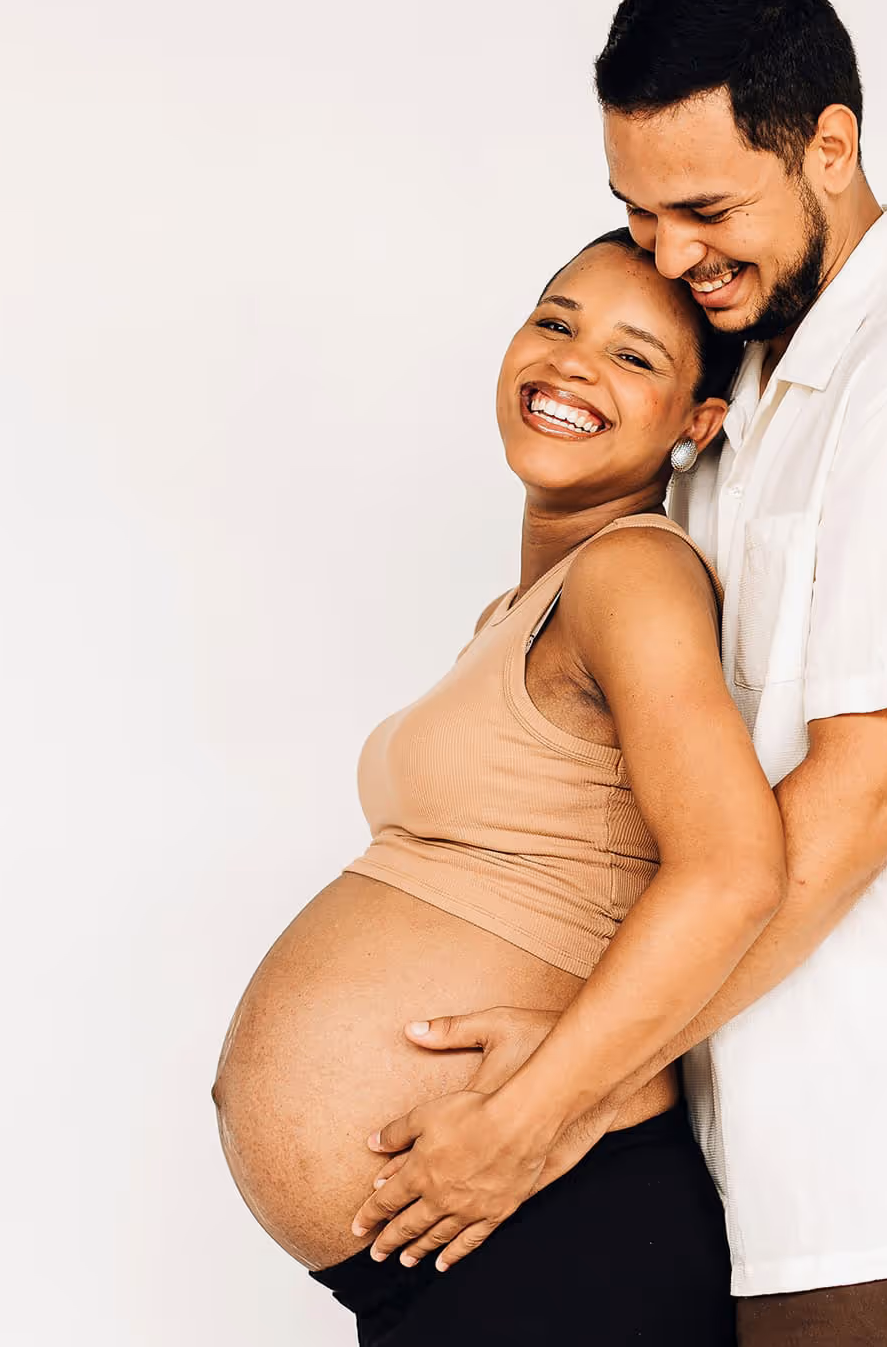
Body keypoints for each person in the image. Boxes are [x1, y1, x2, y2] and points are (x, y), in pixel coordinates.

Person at [353, 0, 887, 1347]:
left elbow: (873, 791)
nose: (668, 255)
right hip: (762, 1166)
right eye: (636, 213)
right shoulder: (749, 369)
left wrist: (550, 1106)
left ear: (831, 147)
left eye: (705, 207)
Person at [212, 228, 785, 1346]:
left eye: (635, 358)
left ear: (697, 424)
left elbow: (732, 867)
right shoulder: (516, 615)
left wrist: (532, 1115)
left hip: (556, 1217)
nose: (572, 363)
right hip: (472, 1242)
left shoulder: (632, 572)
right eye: (557, 322)